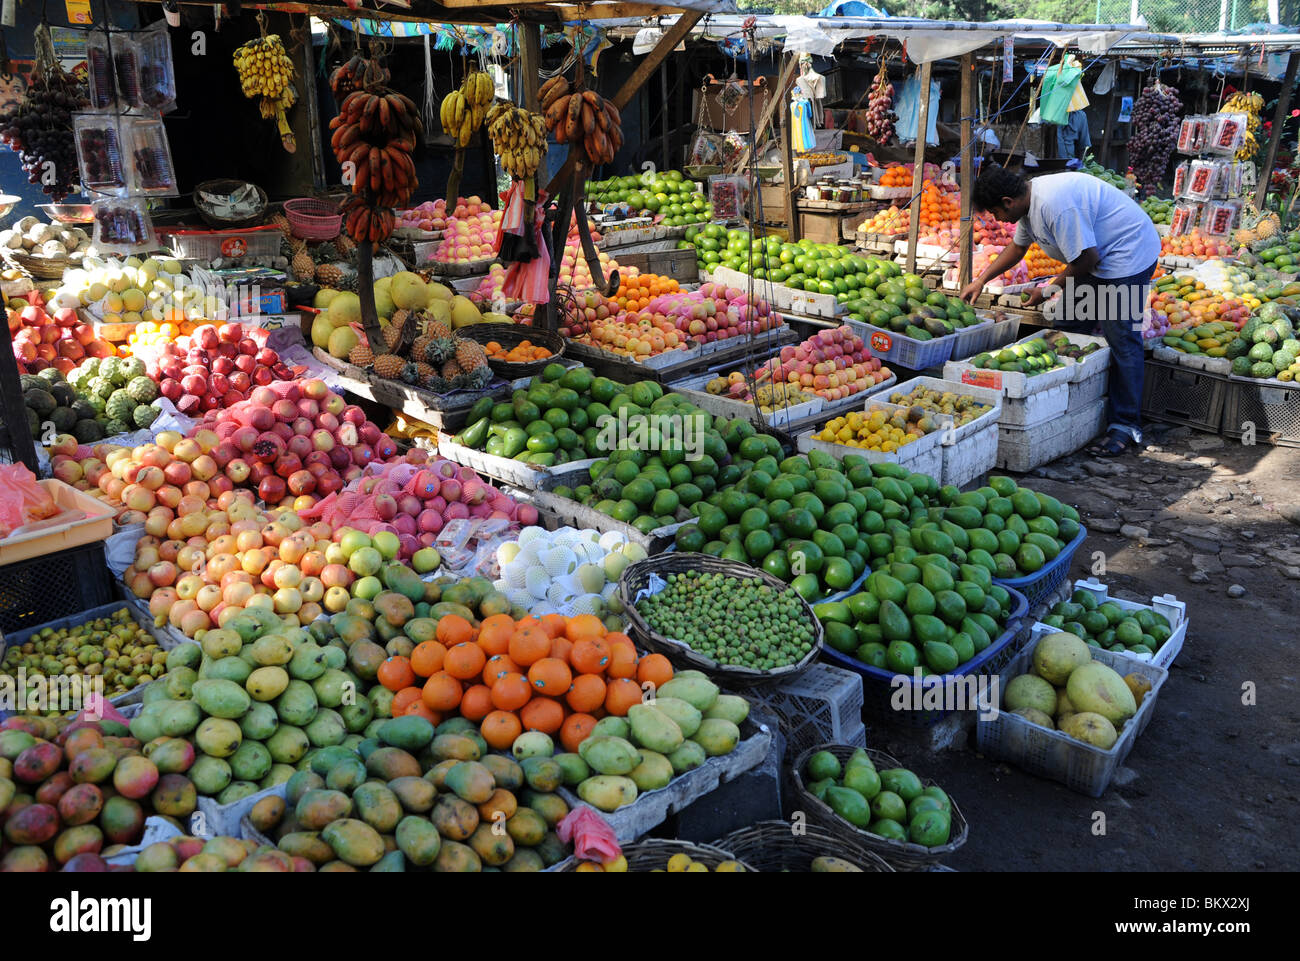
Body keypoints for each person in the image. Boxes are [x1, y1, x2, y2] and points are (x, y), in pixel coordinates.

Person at [960, 165, 1160, 457]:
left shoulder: (1056, 206)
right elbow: (1016, 250)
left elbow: (1087, 259)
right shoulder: (1028, 204)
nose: (996, 220)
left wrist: (1048, 289)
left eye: (995, 213)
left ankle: (1125, 424)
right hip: (1095, 260)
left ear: (1007, 202)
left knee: (1121, 336)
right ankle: (1075, 403)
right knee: (1067, 327)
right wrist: (980, 280)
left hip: (1127, 255)